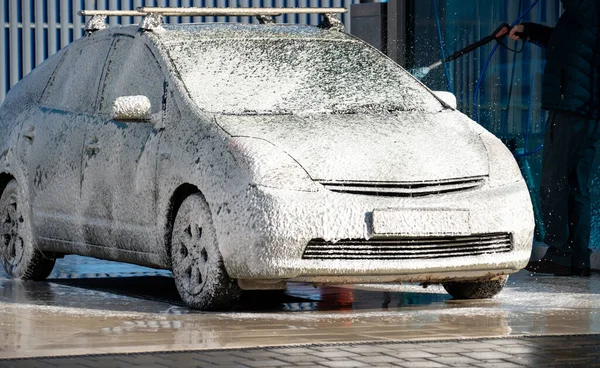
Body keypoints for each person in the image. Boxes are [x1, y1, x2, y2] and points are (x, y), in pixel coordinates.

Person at [509, 0, 600, 276]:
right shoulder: (583, 17)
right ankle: (578, 257)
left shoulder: (588, 9)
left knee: (553, 181)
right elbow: (565, 44)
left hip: (571, 107)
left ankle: (560, 253)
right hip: (584, 111)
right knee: (575, 185)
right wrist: (529, 31)